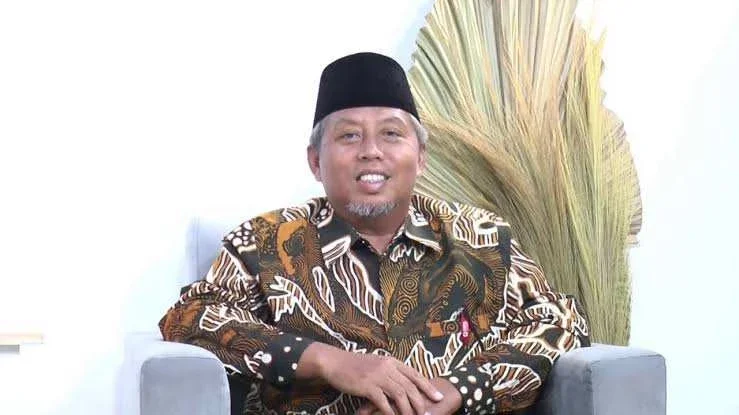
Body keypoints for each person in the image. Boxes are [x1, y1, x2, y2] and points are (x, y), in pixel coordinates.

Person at [159, 52, 590, 415]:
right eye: (349, 136)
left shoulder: (482, 238)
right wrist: (331, 363)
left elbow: (560, 321)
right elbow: (190, 317)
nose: (371, 151)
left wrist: (455, 391)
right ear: (315, 161)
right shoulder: (266, 243)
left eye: (391, 134)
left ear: (421, 157)